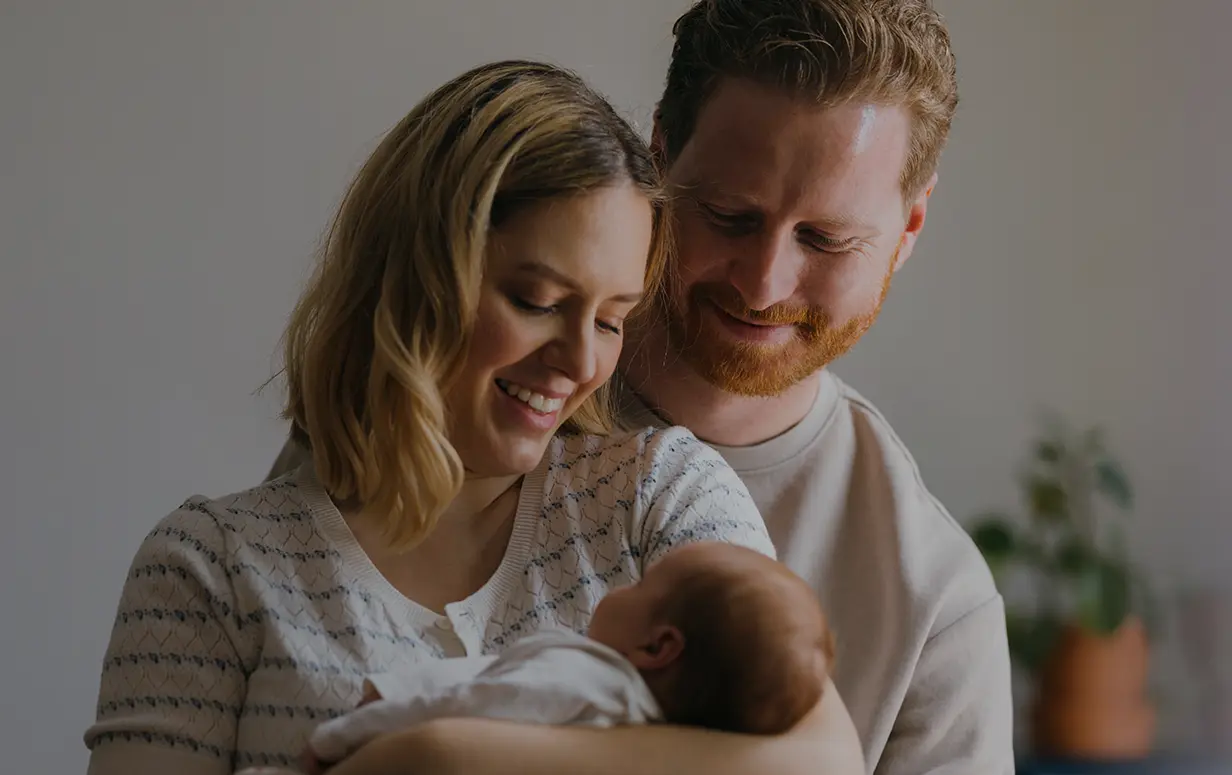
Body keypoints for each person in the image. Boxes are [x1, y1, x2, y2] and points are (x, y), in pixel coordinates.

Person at [267, 1, 1014, 773]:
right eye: (727, 215)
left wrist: (436, 752)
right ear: (659, 155)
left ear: (910, 226)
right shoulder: (467, 391)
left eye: (826, 239)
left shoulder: (936, 601)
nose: (763, 283)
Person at [83, 60, 862, 775]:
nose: (578, 361)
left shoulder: (662, 493)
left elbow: (816, 763)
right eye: (537, 300)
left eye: (610, 319)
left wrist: (431, 753)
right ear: (414, 276)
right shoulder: (210, 567)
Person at [303, 542, 836, 767]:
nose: (623, 585)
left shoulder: (583, 683)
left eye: (642, 585)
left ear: (657, 646)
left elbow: (470, 700)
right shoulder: (643, 730)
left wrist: (343, 736)